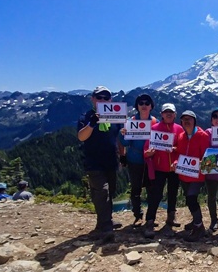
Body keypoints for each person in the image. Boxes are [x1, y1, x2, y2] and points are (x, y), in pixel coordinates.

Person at [77, 85, 121, 243]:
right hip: (94, 163)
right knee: (102, 192)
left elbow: (118, 137)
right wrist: (92, 124)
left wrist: (122, 155)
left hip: (111, 162)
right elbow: (81, 137)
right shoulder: (87, 116)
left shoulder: (115, 117)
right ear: (93, 99)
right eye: (99, 97)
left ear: (111, 100)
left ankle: (104, 221)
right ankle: (106, 228)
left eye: (106, 98)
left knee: (110, 193)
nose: (103, 100)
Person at [143, 103, 184, 238]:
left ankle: (171, 218)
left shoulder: (179, 129)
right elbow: (146, 149)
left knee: (173, 193)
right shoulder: (154, 129)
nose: (169, 114)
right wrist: (148, 153)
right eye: (166, 112)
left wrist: (176, 154)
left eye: (171, 112)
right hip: (159, 168)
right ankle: (149, 221)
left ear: (175, 115)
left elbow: (182, 148)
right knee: (156, 195)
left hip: (174, 168)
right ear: (161, 114)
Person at [118, 94, 157, 225]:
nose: (144, 105)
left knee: (151, 189)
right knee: (136, 189)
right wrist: (123, 134)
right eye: (141, 103)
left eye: (147, 103)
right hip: (134, 160)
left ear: (151, 106)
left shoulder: (155, 122)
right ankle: (138, 214)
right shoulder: (131, 121)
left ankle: (150, 217)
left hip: (150, 161)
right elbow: (124, 143)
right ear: (137, 106)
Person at [174, 110, 211, 242]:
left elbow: (207, 157)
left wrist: (202, 162)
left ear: (194, 121)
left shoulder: (203, 136)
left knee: (191, 198)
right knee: (189, 199)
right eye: (184, 120)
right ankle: (196, 221)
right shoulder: (181, 136)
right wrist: (175, 163)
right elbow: (179, 154)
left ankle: (199, 227)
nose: (187, 122)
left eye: (189, 119)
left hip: (197, 175)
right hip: (184, 175)